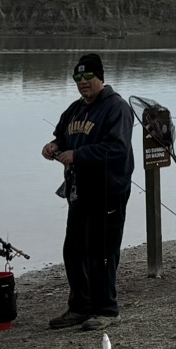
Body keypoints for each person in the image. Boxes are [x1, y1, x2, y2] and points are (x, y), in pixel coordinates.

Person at [41, 52, 135, 330]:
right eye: (77, 77)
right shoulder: (75, 109)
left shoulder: (117, 108)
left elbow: (118, 149)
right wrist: (54, 147)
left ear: (100, 77)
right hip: (78, 191)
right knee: (74, 250)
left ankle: (106, 310)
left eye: (87, 77)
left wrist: (78, 155)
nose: (82, 82)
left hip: (108, 190)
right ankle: (80, 307)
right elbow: (62, 136)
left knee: (102, 251)